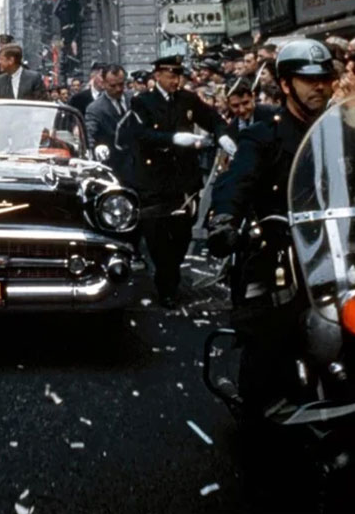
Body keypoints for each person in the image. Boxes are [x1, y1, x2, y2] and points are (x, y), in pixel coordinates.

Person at [208, 39, 335, 414]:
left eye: (326, 78)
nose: (320, 87)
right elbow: (237, 181)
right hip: (282, 248)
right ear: (284, 84)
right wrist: (225, 219)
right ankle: (256, 405)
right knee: (267, 327)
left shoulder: (340, 130)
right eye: (307, 79)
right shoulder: (264, 135)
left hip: (338, 248)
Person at [129, 54, 235, 308]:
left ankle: (170, 276)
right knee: (156, 237)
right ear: (157, 76)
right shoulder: (142, 102)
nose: (175, 80)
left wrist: (222, 136)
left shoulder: (187, 99)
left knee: (181, 235)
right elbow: (141, 135)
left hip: (183, 182)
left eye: (178, 75)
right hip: (155, 180)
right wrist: (173, 139)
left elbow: (212, 119)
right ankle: (167, 286)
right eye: (170, 75)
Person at [85, 65, 128, 174]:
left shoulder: (134, 100)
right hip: (113, 166)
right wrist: (96, 148)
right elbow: (89, 134)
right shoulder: (95, 109)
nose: (118, 89)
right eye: (113, 86)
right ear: (103, 83)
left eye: (121, 84)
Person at [225, 77, 278, 144]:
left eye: (245, 103)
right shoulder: (231, 129)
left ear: (253, 97)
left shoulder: (272, 114)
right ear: (228, 104)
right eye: (235, 106)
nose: (242, 110)